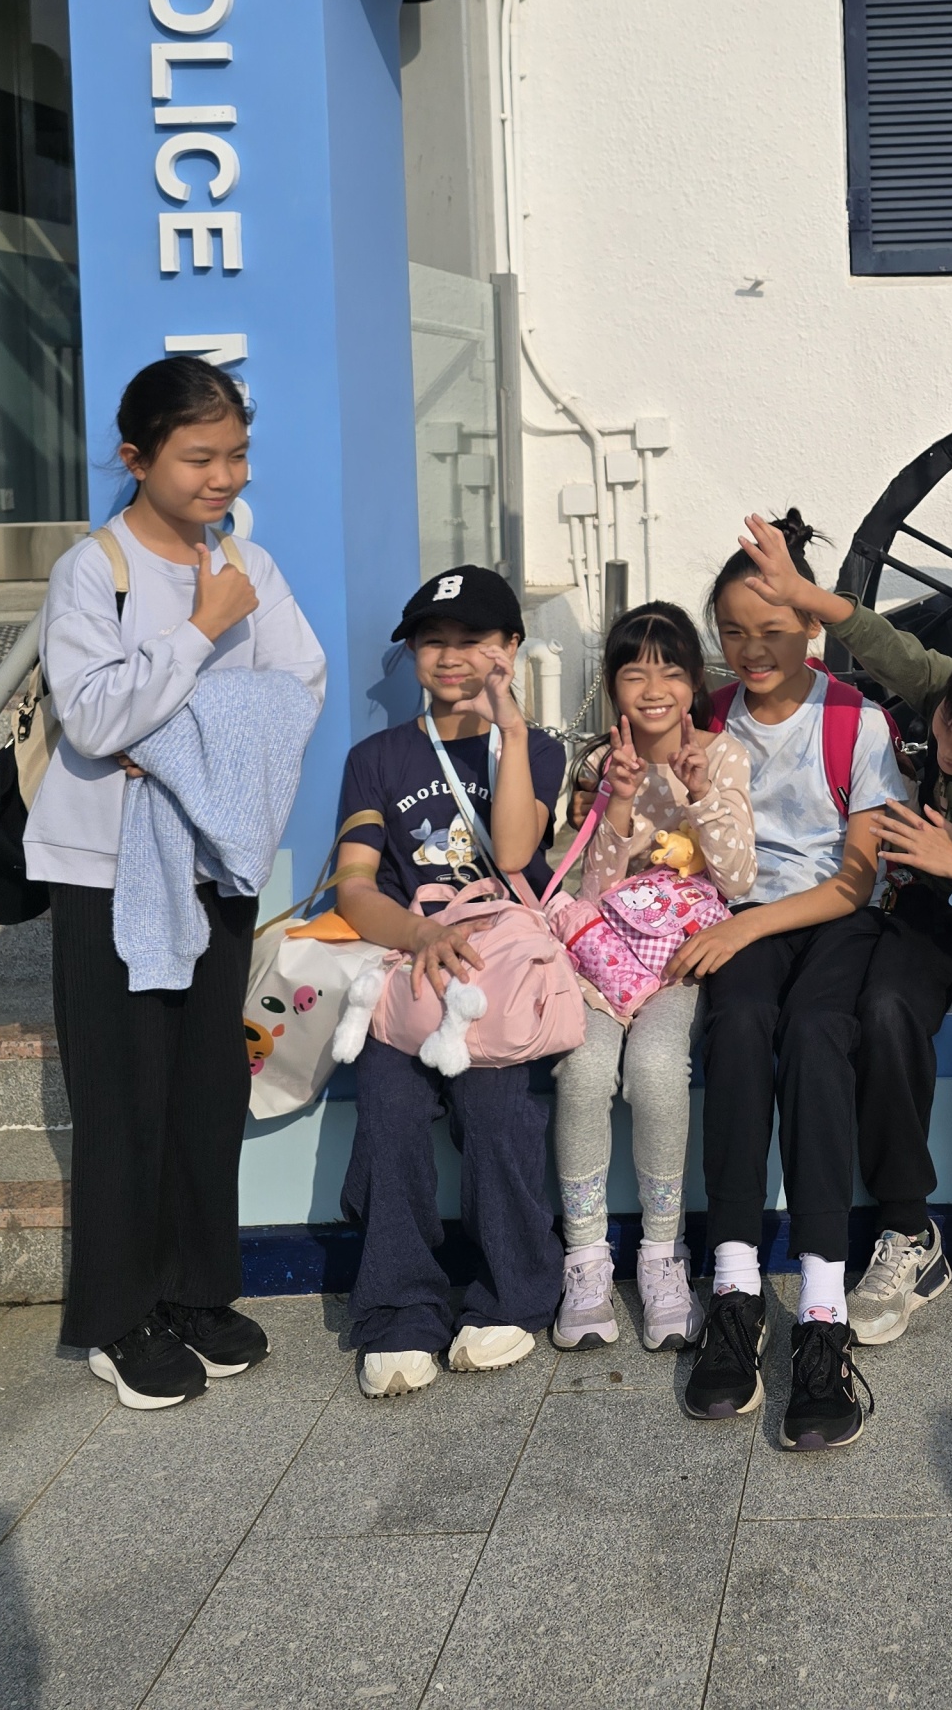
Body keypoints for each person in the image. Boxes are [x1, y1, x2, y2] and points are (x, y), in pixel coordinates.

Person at [28, 356, 326, 1410]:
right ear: (136, 456)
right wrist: (203, 632)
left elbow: (298, 688)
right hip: (105, 872)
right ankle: (118, 1318)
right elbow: (94, 718)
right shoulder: (93, 571)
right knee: (124, 1098)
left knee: (206, 1090)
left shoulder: (248, 561)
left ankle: (197, 1292)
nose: (223, 477)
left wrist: (178, 740)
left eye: (236, 454)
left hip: (213, 863)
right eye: (199, 457)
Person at [732, 511, 952, 1347]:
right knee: (882, 1011)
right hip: (925, 908)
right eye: (944, 727)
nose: (946, 747)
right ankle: (906, 1230)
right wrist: (800, 592)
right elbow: (887, 646)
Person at [673, 511, 902, 1451]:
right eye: (732, 632)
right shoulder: (707, 718)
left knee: (815, 1036)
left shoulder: (855, 721)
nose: (751, 650)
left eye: (772, 630)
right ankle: (733, 1289)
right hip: (739, 914)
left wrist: (748, 925)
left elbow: (854, 880)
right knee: (735, 1029)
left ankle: (820, 1307)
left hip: (831, 916)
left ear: (812, 624)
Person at [332, 565, 568, 1397]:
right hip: (412, 971)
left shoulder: (541, 751)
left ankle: (514, 1294)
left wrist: (511, 728)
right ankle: (399, 1311)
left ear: (511, 648)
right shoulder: (376, 759)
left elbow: (515, 853)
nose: (452, 656)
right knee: (389, 1110)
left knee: (497, 1111)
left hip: (499, 976)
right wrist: (420, 934)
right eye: (433, 642)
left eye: (474, 640)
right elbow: (355, 885)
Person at [550, 601, 755, 1355]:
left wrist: (699, 797)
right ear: (612, 686)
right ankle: (585, 1259)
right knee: (582, 1070)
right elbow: (591, 889)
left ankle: (662, 1255)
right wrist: (620, 800)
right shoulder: (599, 765)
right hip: (603, 965)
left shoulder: (724, 756)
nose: (654, 688)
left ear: (696, 682)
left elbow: (737, 876)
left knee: (659, 1068)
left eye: (671, 670)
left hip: (678, 968)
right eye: (634, 672)